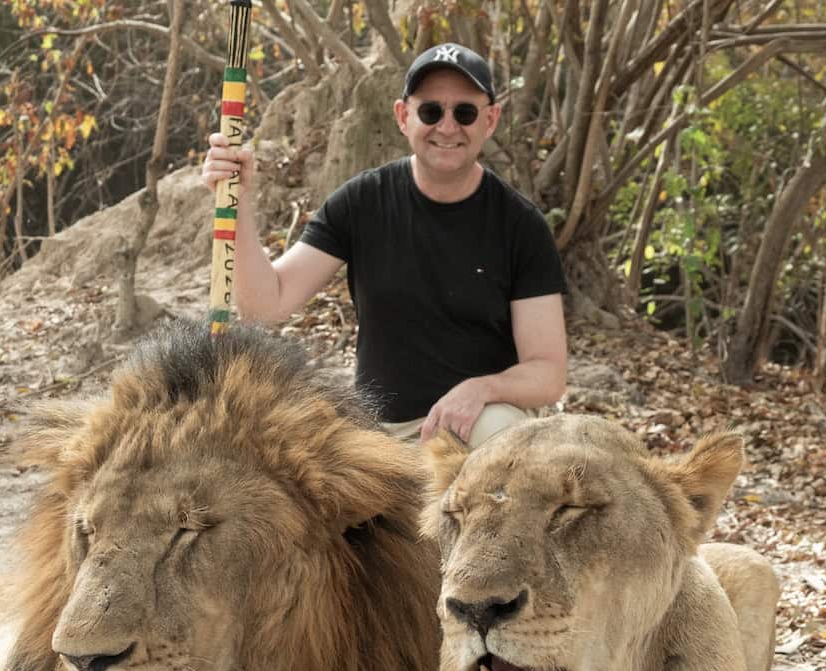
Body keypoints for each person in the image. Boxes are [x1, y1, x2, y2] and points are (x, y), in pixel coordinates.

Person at [201, 43, 567, 444]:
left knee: (501, 435)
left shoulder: (521, 226)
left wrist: (481, 389)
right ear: (402, 116)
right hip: (380, 436)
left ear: (491, 120)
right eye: (430, 111)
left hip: (477, 426)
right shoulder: (362, 201)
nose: (447, 127)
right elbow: (265, 304)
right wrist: (239, 201)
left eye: (465, 112)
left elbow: (548, 374)